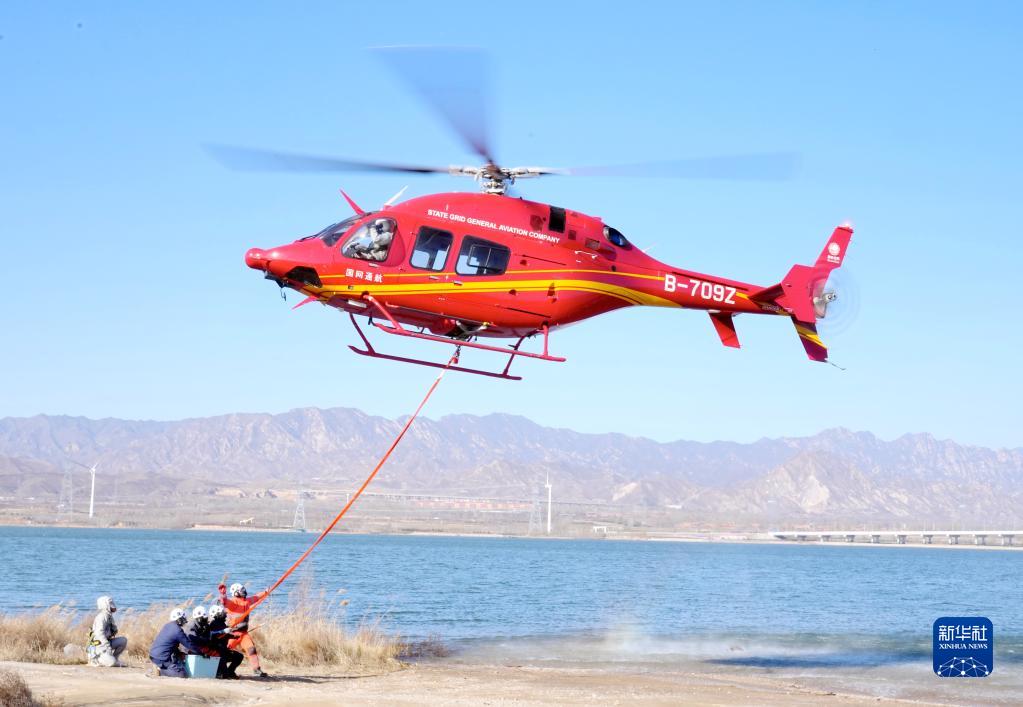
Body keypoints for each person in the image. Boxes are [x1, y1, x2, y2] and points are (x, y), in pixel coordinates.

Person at [218, 582, 271, 678]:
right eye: (241, 590)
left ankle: (257, 669)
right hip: (233, 633)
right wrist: (223, 594)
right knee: (225, 652)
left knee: (251, 650)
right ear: (236, 593)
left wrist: (265, 592)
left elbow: (256, 597)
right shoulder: (233, 602)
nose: (244, 592)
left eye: (243, 590)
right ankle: (221, 670)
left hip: (244, 633)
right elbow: (224, 602)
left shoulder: (247, 601)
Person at [149, 607, 202, 678]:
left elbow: (170, 644)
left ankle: (160, 667)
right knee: (182, 675)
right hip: (161, 658)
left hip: (153, 654)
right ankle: (160, 670)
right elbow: (188, 644)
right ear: (179, 619)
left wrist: (179, 653)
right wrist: (201, 652)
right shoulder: (177, 630)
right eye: (183, 618)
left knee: (177, 661)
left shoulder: (168, 625)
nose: (184, 620)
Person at [87, 595, 127, 667]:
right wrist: (107, 646)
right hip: (98, 646)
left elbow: (113, 631)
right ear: (105, 605)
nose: (113, 605)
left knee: (123, 640)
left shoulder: (108, 616)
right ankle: (95, 659)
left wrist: (113, 630)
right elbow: (99, 633)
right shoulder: (102, 617)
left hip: (106, 643)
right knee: (111, 663)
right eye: (110, 603)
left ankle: (114, 658)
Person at [207, 604, 244, 679]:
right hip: (218, 652)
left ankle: (230, 672)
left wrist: (234, 636)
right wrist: (226, 632)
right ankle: (221, 672)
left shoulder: (221, 623)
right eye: (222, 613)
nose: (225, 614)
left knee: (239, 656)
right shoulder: (214, 624)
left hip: (224, 650)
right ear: (217, 614)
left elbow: (225, 635)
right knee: (224, 676)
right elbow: (215, 635)